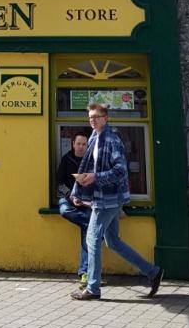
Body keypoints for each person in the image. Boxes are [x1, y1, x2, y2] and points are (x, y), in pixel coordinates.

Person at [70, 103, 163, 301]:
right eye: (90, 117)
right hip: (103, 198)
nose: (92, 120)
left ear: (106, 119)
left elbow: (120, 170)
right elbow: (90, 168)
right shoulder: (94, 138)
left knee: (92, 239)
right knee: (112, 242)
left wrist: (95, 177)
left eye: (96, 117)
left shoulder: (112, 141)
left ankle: (92, 288)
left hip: (107, 200)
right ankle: (153, 272)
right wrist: (81, 188)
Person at [56, 132, 91, 285]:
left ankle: (84, 273)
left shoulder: (91, 160)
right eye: (79, 144)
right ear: (73, 144)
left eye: (84, 144)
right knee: (64, 211)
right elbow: (59, 183)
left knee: (86, 234)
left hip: (86, 202)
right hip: (69, 199)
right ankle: (90, 223)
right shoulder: (66, 160)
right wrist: (71, 196)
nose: (81, 147)